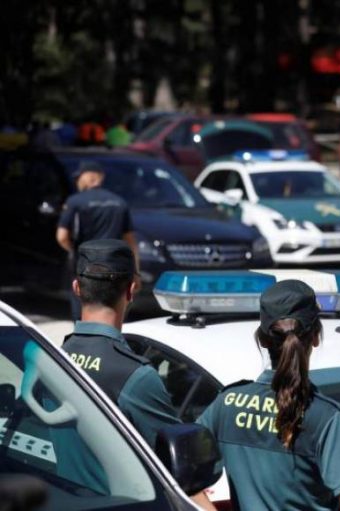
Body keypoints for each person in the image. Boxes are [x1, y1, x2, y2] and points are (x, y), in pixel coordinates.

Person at [197, 280, 340, 511]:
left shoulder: (226, 404)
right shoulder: (325, 417)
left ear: (262, 340)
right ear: (315, 337)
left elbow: (178, 468)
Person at [60, 239, 210, 508]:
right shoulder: (135, 376)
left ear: (76, 288)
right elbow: (183, 474)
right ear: (131, 290)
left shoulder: (52, 358)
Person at [56, 160, 138, 321]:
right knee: (112, 308)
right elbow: (130, 242)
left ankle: (84, 334)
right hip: (114, 265)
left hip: (86, 265)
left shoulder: (75, 201)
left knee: (82, 309)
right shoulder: (119, 202)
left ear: (89, 176)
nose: (77, 182)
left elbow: (62, 236)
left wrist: (74, 250)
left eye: (78, 178)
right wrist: (136, 272)